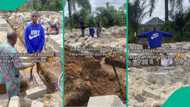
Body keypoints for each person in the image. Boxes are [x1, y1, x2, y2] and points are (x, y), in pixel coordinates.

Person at [0, 32, 34, 97]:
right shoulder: (12, 51)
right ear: (14, 39)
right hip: (11, 77)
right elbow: (19, 66)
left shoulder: (2, 46)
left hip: (3, 73)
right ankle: (13, 100)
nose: (16, 40)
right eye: (16, 38)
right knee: (14, 95)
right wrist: (30, 64)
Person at [24, 12, 45, 80]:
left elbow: (42, 38)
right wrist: (32, 50)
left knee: (38, 62)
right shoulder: (28, 27)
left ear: (37, 17)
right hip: (31, 50)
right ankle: (30, 74)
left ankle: (38, 73)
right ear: (31, 17)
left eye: (35, 16)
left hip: (39, 50)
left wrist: (39, 49)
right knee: (32, 63)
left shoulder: (40, 27)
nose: (34, 17)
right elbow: (26, 39)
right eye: (33, 16)